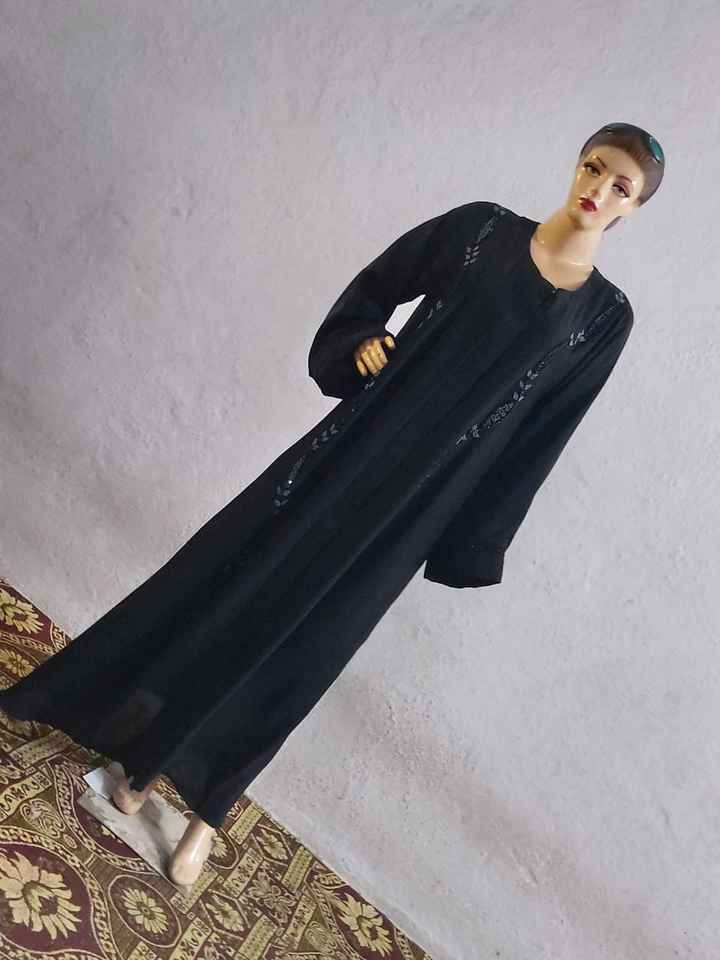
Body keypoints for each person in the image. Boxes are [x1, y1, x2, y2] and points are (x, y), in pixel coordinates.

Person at [0, 123, 665, 887]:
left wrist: (473, 540)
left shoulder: (603, 320)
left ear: (633, 207)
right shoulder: (481, 230)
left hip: (415, 509)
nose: (599, 190)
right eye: (595, 167)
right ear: (576, 162)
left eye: (621, 187)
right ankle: (130, 752)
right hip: (344, 455)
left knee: (309, 648)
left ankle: (208, 812)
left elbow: (541, 437)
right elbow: (377, 286)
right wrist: (359, 343)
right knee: (228, 582)